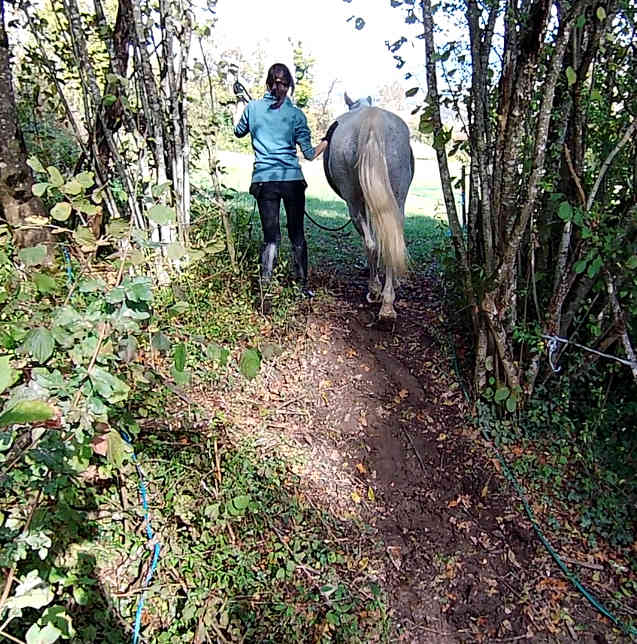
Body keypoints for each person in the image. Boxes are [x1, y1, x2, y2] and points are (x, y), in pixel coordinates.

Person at [234, 63, 329, 295]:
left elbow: (238, 132)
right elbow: (308, 154)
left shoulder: (252, 108)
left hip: (264, 181)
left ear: (268, 83)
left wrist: (238, 105)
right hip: (292, 181)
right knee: (297, 233)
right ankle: (302, 285)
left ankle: (265, 288)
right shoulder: (296, 115)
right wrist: (327, 140)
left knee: (271, 238)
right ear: (289, 86)